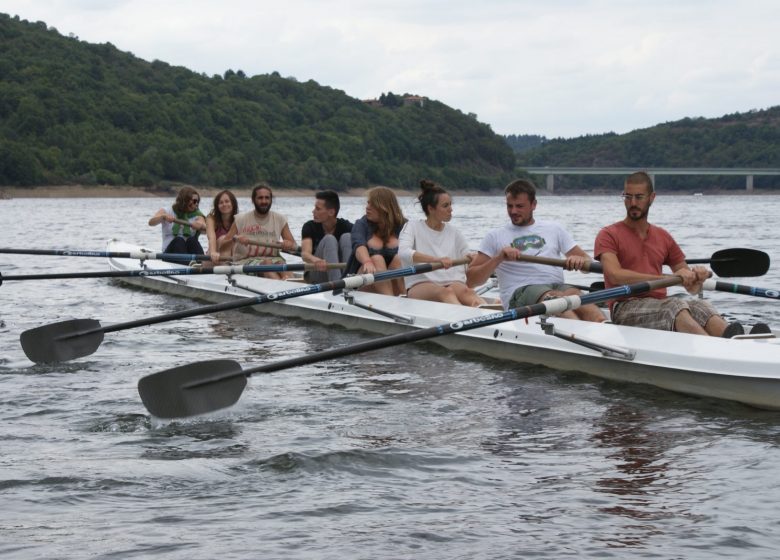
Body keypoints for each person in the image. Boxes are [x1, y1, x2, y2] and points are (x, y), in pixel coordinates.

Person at [594, 171, 768, 337]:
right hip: (625, 307)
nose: (632, 203)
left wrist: (696, 277)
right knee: (675, 305)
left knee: (701, 306)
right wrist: (665, 278)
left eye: (639, 197)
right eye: (628, 196)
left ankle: (737, 343)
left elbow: (691, 288)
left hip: (658, 306)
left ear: (651, 198)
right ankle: (713, 352)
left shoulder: (663, 236)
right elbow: (615, 276)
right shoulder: (608, 234)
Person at [467, 179, 605, 322]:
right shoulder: (494, 236)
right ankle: (576, 331)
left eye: (519, 206)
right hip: (521, 293)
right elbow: (471, 281)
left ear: (534, 205)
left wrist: (580, 260)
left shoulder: (554, 229)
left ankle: (603, 326)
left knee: (578, 296)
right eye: (510, 206)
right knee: (555, 300)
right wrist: (498, 258)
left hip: (557, 286)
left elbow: (587, 265)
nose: (513, 211)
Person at [398, 179, 485, 306]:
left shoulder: (454, 232)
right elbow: (404, 252)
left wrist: (474, 257)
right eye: (445, 206)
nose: (451, 209)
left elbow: (467, 254)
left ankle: (498, 318)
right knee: (445, 292)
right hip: (420, 285)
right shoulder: (412, 227)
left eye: (450, 205)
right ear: (431, 209)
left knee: (469, 293)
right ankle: (464, 320)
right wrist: (437, 260)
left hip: (451, 282)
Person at [226, 183, 297, 279]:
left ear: (271, 200)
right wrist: (235, 238)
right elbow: (223, 244)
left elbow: (294, 247)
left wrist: (289, 245)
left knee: (280, 263)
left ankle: (289, 284)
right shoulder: (240, 219)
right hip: (244, 262)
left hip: (274, 260)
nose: (264, 201)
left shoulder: (280, 219)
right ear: (253, 200)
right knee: (266, 263)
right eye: (260, 198)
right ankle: (283, 287)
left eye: (267, 198)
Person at [347, 186, 407, 295]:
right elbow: (359, 246)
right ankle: (390, 302)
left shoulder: (404, 226)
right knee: (377, 259)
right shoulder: (361, 224)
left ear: (385, 207)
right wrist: (367, 261)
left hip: (395, 282)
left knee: (399, 259)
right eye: (368, 203)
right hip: (361, 282)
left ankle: (406, 300)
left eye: (372, 204)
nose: (367, 207)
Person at [301, 190, 353, 284]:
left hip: (341, 273)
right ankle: (339, 286)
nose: (313, 211)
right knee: (329, 239)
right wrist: (317, 260)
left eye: (318, 209)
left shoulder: (346, 226)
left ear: (331, 212)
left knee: (347, 237)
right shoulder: (309, 226)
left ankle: (350, 282)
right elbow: (305, 254)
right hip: (316, 273)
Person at [148, 186, 206, 254]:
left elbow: (206, 229)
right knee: (179, 240)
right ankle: (188, 262)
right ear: (185, 200)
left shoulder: (197, 215)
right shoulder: (167, 211)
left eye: (198, 201)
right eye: (194, 201)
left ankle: (201, 262)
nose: (196, 204)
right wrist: (163, 217)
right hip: (170, 252)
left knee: (192, 240)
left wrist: (200, 225)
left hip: (188, 252)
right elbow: (151, 222)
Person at [205, 189, 238, 263]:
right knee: (223, 239)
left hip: (233, 258)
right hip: (214, 257)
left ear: (233, 204)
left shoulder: (238, 219)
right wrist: (213, 252)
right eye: (221, 202)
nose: (224, 204)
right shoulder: (211, 219)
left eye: (227, 201)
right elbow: (211, 238)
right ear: (217, 206)